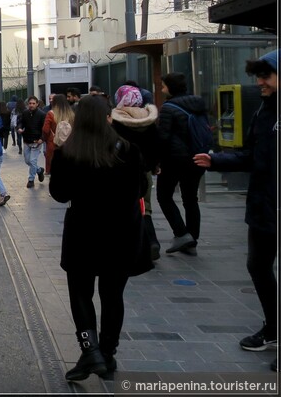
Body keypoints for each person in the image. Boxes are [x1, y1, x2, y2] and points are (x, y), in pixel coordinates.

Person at [49, 94, 149, 382]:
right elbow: (140, 189)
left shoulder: (69, 152)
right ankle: (107, 353)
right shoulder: (128, 150)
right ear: (108, 118)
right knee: (112, 294)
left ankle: (89, 350)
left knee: (80, 293)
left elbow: (59, 194)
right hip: (121, 235)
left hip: (83, 234)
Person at [194, 49, 277, 371]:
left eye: (266, 76)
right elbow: (252, 156)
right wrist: (216, 160)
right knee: (258, 266)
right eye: (258, 77)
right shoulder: (265, 111)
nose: (260, 83)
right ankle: (274, 327)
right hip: (263, 205)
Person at [156, 71, 208, 255]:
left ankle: (181, 233)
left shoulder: (169, 108)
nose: (162, 90)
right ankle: (192, 239)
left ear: (170, 87)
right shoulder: (198, 103)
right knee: (190, 199)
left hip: (174, 160)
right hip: (197, 158)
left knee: (163, 196)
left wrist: (157, 161)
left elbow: (162, 138)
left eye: (163, 86)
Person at [110, 85, 161, 260]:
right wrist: (153, 165)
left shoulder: (117, 119)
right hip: (145, 170)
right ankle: (152, 242)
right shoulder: (149, 118)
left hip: (123, 170)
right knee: (145, 207)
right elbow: (156, 145)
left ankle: (129, 245)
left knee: (124, 208)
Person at [41, 94, 75, 175]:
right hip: (68, 143)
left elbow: (45, 129)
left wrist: (45, 139)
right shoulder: (71, 114)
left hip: (53, 142)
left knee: (54, 164)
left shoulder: (51, 113)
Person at [18, 96, 46, 188]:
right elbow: (21, 122)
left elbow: (45, 128)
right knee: (27, 160)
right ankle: (39, 170)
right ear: (27, 104)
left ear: (37, 104)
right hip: (26, 140)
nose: (31, 105)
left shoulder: (42, 114)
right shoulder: (25, 113)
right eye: (30, 103)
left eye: (33, 103)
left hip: (37, 141)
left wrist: (42, 138)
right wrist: (20, 128)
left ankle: (31, 180)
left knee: (32, 160)